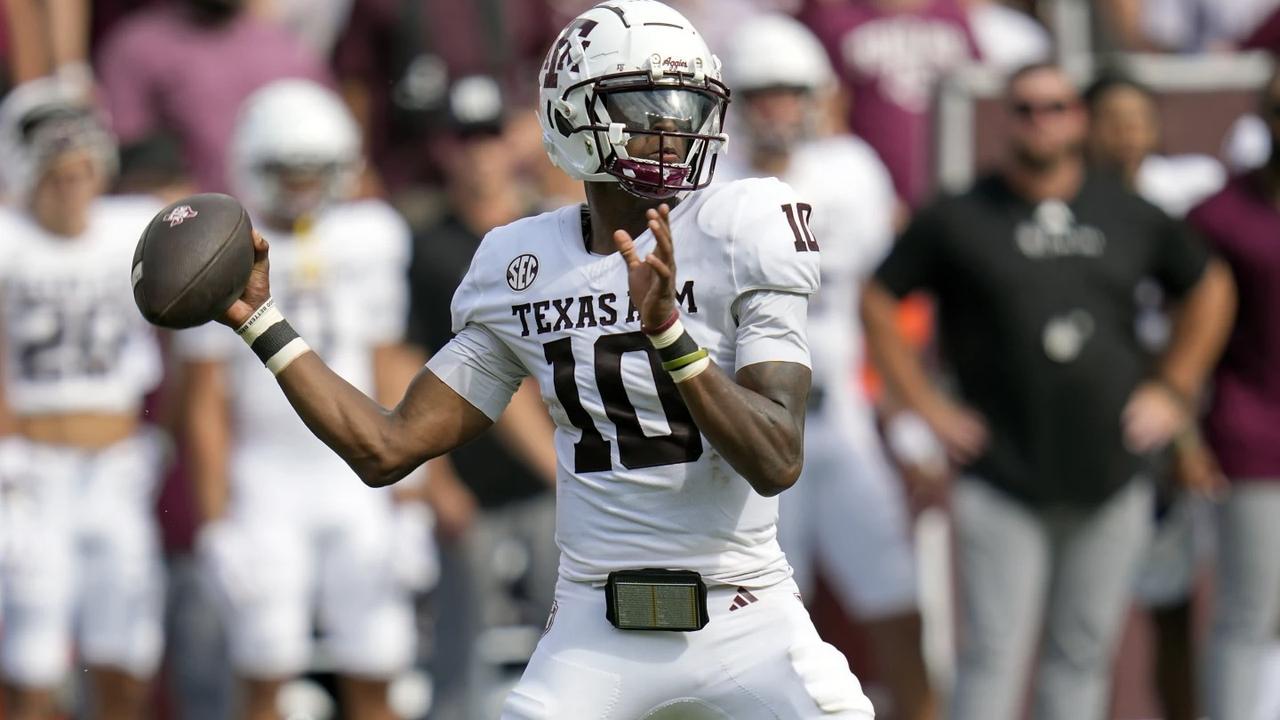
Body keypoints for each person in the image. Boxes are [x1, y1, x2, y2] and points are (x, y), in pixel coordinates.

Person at [195, 1, 876, 717]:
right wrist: (259, 322)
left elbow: (776, 457)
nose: (673, 126)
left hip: (745, 610)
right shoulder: (521, 266)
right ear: (572, 116)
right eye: (647, 104)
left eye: (686, 104)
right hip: (596, 624)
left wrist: (671, 334)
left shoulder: (745, 225)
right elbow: (387, 447)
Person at [861, 62, 1235, 720]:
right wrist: (927, 404)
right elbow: (879, 298)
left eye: (1056, 107)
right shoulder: (961, 213)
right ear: (1007, 118)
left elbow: (1209, 287)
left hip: (1111, 469)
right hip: (1001, 471)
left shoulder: (1127, 212)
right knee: (994, 655)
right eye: (1027, 108)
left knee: (1082, 656)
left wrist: (1174, 389)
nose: (1042, 120)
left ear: (1078, 118)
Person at [175, 80, 430, 720]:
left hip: (353, 475)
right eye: (287, 172)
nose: (302, 188)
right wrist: (215, 521)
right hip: (267, 477)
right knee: (266, 665)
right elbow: (205, 403)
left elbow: (388, 363)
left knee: (380, 660)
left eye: (314, 171)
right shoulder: (221, 250)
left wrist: (412, 499)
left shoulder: (371, 234)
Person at [718, 14, 936, 720]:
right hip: (751, 419)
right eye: (762, 93)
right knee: (768, 618)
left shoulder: (853, 172)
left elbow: (887, 305)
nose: (777, 109)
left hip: (841, 414)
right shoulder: (710, 184)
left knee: (897, 597)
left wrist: (906, 412)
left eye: (789, 91)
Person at [0, 78, 166, 720]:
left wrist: (163, 433)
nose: (72, 187)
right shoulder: (11, 239)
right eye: (56, 175)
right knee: (33, 658)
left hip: (118, 465)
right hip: (32, 472)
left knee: (126, 648)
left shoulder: (130, 228)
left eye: (81, 173)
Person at [407, 75, 559, 720]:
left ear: (510, 143)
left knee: (578, 640)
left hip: (554, 473)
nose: (479, 154)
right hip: (470, 471)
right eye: (466, 140)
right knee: (459, 653)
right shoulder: (426, 246)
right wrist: (433, 480)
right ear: (447, 149)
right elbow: (402, 359)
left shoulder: (550, 230)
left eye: (490, 137)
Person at [1084, 72, 1227, 720]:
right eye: (1113, 119)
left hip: (1176, 418)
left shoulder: (1186, 195)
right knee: (1084, 613)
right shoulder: (1066, 201)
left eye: (1139, 118)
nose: (1128, 134)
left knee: (1179, 610)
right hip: (1090, 420)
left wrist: (1186, 423)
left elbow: (1212, 298)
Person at [1189, 68, 1280, 720]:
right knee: (1250, 610)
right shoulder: (1223, 214)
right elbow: (1182, 334)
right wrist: (1186, 435)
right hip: (1255, 431)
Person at [95, 0, 330, 194]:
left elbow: (335, 157)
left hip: (283, 232)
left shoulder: (288, 49)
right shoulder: (136, 48)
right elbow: (122, 162)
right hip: (184, 232)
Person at [798, 0, 980, 207]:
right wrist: (871, 191)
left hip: (953, 193)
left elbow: (983, 102)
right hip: (876, 194)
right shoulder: (838, 20)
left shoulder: (953, 15)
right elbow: (830, 111)